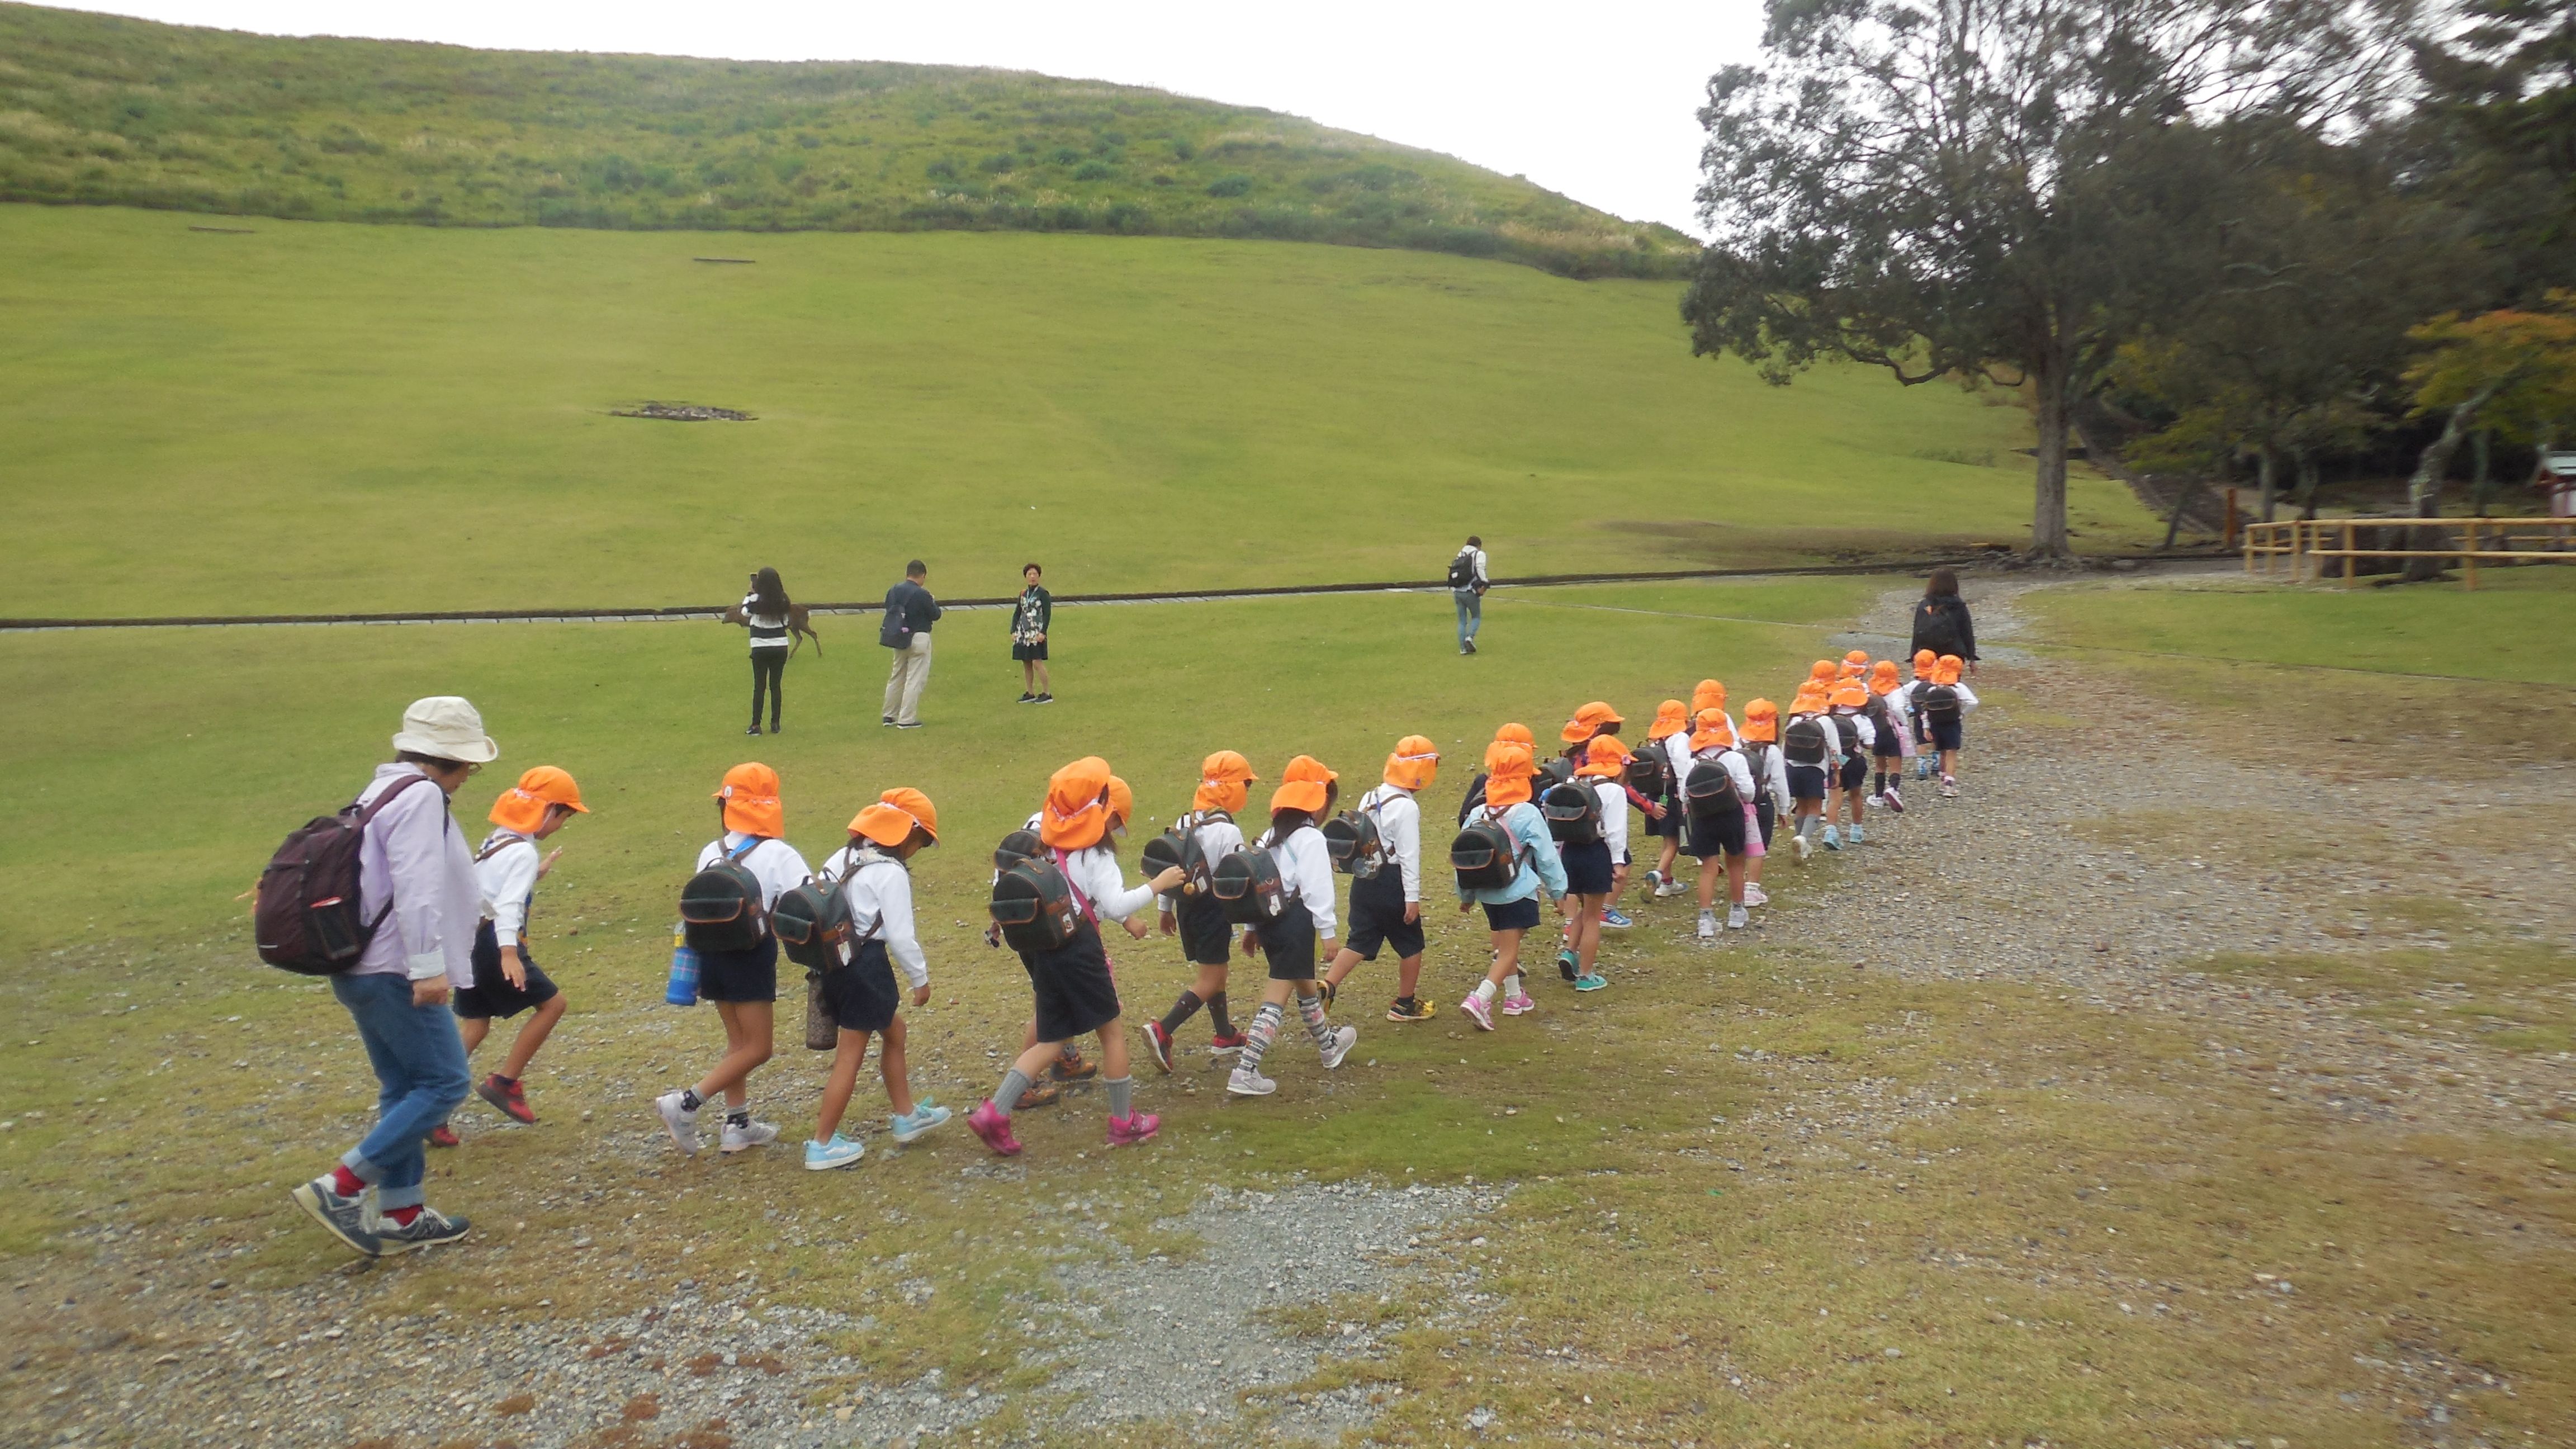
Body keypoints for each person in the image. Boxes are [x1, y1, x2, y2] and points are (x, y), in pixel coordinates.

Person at [288, 696, 493, 1258]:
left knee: (404, 1086)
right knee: (446, 1083)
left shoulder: (380, 789)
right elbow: (415, 885)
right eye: (470, 766)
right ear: (453, 759)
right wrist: (428, 968)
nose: (469, 777)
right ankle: (342, 1187)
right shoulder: (423, 796)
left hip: (357, 965)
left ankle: (403, 1212)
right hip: (397, 969)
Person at [967, 757, 1185, 1156]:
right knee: (1111, 1033)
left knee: (1052, 1038)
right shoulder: (1095, 855)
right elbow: (1116, 904)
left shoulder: (1046, 848)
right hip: (1081, 949)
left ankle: (994, 1113)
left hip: (1047, 949)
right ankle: (1123, 1122)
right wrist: (1158, 884)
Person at [654, 764, 811, 1156]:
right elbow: (808, 901)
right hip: (751, 956)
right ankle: (686, 1103)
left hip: (709, 955)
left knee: (738, 1043)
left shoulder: (712, 850)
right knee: (759, 1048)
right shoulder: (779, 853)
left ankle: (738, 1124)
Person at [804, 789, 951, 1170]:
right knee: (850, 1055)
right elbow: (901, 936)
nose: (920, 849)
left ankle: (907, 1115)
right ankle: (821, 1143)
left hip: (833, 962)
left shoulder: (843, 856)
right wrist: (920, 980)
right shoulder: (890, 873)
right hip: (866, 968)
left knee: (895, 1032)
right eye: (922, 841)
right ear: (908, 833)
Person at [441, 765, 586, 1143]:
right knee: (553, 1005)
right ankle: (505, 1082)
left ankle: (431, 1106)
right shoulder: (521, 851)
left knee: (476, 1024)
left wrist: (534, 874)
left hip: (469, 940)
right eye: (563, 818)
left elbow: (485, 884)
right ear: (548, 811)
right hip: (494, 943)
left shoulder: (499, 839)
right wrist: (509, 953)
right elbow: (507, 906)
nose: (560, 827)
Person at [1228, 756, 1360, 1097]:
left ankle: (1329, 1046)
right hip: (1296, 922)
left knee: (1303, 984)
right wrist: (1328, 932)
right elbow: (1317, 887)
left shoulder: (1272, 836)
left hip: (1271, 922)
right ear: (1318, 803)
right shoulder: (1312, 839)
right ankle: (1246, 1069)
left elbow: (1261, 884)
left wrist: (1251, 929)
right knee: (1277, 997)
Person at [1144, 752, 1256, 1069]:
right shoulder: (1228, 831)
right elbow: (1235, 881)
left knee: (1215, 971)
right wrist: (1250, 925)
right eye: (1246, 784)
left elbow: (1172, 867)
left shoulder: (1185, 821)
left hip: (1186, 907)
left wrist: (1165, 908)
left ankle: (1225, 1034)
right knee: (1211, 977)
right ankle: (1162, 1030)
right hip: (1214, 910)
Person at [1318, 737, 1440, 1022]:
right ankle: (1405, 1004)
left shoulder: (1371, 796)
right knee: (1411, 944)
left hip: (1365, 878)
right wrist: (1412, 898)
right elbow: (1409, 857)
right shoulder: (1407, 808)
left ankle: (1328, 985)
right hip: (1392, 882)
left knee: (1359, 940)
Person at [1455, 743, 1566, 1030]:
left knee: (1507, 943)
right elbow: (1547, 857)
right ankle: (1481, 998)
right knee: (1509, 951)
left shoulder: (1477, 813)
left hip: (1487, 893)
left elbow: (1465, 858)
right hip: (1519, 891)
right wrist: (1559, 893)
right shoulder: (1527, 813)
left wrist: (1466, 896)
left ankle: (1515, 997)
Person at [1556, 734, 1630, 991]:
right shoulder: (1614, 791)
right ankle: (1586, 976)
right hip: (1596, 852)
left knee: (1583, 908)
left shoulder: (1573, 782)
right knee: (1593, 917)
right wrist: (1619, 863)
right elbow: (1616, 831)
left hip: (1570, 852)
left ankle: (1569, 952)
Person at [1682, 708, 1756, 941]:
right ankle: (1736, 911)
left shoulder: (1693, 762)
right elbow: (1750, 793)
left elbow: (1683, 796)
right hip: (1731, 815)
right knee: (1735, 863)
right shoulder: (1735, 758)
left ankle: (1705, 918)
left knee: (1708, 868)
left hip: (1702, 818)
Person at [1737, 699, 1792, 908]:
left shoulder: (1736, 745)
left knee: (1738, 845)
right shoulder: (1772, 752)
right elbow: (1779, 782)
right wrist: (1784, 809)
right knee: (1757, 848)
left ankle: (1738, 882)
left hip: (1739, 802)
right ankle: (1751, 888)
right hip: (1761, 804)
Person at [1781, 683, 1841, 862]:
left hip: (1793, 769)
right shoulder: (1826, 721)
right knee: (1815, 807)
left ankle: (1800, 842)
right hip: (1815, 769)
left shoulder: (1794, 720)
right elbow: (1835, 750)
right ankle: (1803, 839)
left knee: (1801, 806)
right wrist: (1837, 772)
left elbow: (1785, 748)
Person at [880, 560, 941, 730]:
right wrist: (933, 602)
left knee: (897, 675)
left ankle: (889, 715)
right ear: (922, 575)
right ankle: (906, 719)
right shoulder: (922, 594)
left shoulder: (893, 591)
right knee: (914, 679)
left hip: (898, 637)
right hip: (919, 637)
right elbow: (935, 615)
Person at [1639, 699, 1689, 899]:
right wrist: (1685, 797)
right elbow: (1683, 768)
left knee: (1667, 838)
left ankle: (1667, 882)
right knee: (1674, 839)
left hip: (1656, 795)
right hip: (1673, 794)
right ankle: (1658, 874)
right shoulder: (1679, 739)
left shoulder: (1656, 741)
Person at [735, 567, 793, 736]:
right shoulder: (783, 599)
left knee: (759, 686)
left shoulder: (755, 598)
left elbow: (744, 612)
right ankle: (775, 724)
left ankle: (756, 725)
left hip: (760, 646)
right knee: (776, 686)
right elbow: (788, 620)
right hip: (780, 646)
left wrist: (749, 592)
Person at [1825, 678, 1879, 848]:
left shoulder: (1829, 719)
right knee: (1856, 795)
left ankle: (1831, 831)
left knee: (1835, 798)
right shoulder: (1862, 720)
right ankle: (1856, 831)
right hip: (1855, 761)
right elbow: (1870, 744)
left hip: (1834, 761)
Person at [1921, 654, 1981, 797]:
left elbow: (1925, 710)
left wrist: (1926, 727)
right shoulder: (1958, 687)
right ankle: (1950, 784)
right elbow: (1973, 702)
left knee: (1941, 751)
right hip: (1952, 723)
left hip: (1935, 723)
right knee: (1951, 752)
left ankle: (1942, 780)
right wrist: (1962, 714)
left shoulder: (1932, 689)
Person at [1909, 567, 1980, 673]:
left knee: (1930, 683)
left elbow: (1917, 631)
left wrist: (1914, 655)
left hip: (1928, 652)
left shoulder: (1924, 605)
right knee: (1950, 682)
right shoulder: (1958, 605)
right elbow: (1967, 632)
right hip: (1953, 651)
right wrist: (1971, 657)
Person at [1865, 660, 1914, 812]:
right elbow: (1898, 708)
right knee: (1895, 760)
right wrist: (1904, 724)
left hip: (1875, 729)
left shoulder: (1870, 690)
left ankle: (1878, 796)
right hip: (1892, 729)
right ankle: (1893, 788)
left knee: (1879, 763)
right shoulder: (1896, 691)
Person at [1012, 563, 1055, 704]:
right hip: (1024, 633)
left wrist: (1043, 632)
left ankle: (1046, 693)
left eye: (1035, 574)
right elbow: (1018, 612)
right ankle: (1030, 692)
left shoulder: (1043, 594)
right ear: (1026, 576)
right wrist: (1013, 630)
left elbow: (1047, 614)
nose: (1032, 577)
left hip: (1036, 632)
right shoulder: (1023, 593)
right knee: (1026, 662)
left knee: (1037, 662)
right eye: (1030, 574)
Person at [1448, 536, 1489, 655]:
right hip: (1470, 591)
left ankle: (1463, 649)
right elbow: (1480, 569)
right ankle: (1470, 638)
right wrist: (1485, 583)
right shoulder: (1479, 554)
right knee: (1476, 616)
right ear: (1479, 545)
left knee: (1462, 621)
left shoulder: (1461, 553)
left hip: (1457, 591)